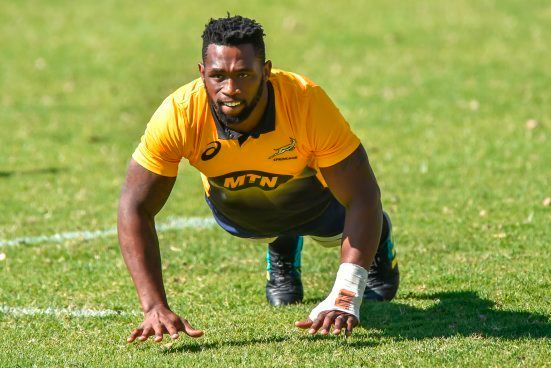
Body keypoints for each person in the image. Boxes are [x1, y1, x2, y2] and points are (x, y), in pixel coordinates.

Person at [118, 15, 399, 343]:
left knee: (331, 223)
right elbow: (134, 206)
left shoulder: (305, 101)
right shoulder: (179, 114)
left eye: (244, 75)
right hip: (238, 207)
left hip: (313, 200)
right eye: (218, 76)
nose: (230, 89)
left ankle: (377, 236)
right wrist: (153, 306)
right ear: (201, 73)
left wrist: (347, 292)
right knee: (259, 222)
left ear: (266, 72)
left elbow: (362, 195)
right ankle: (280, 244)